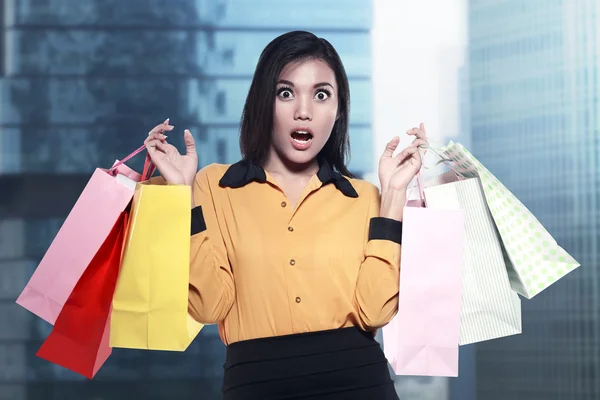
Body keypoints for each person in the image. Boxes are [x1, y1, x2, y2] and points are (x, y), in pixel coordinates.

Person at [144, 31, 428, 400]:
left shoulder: (365, 198)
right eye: (286, 92)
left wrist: (393, 196)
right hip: (254, 383)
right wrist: (181, 198)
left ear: (338, 109)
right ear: (264, 101)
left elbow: (374, 312)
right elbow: (208, 306)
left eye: (321, 94)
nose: (304, 111)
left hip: (358, 382)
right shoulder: (212, 186)